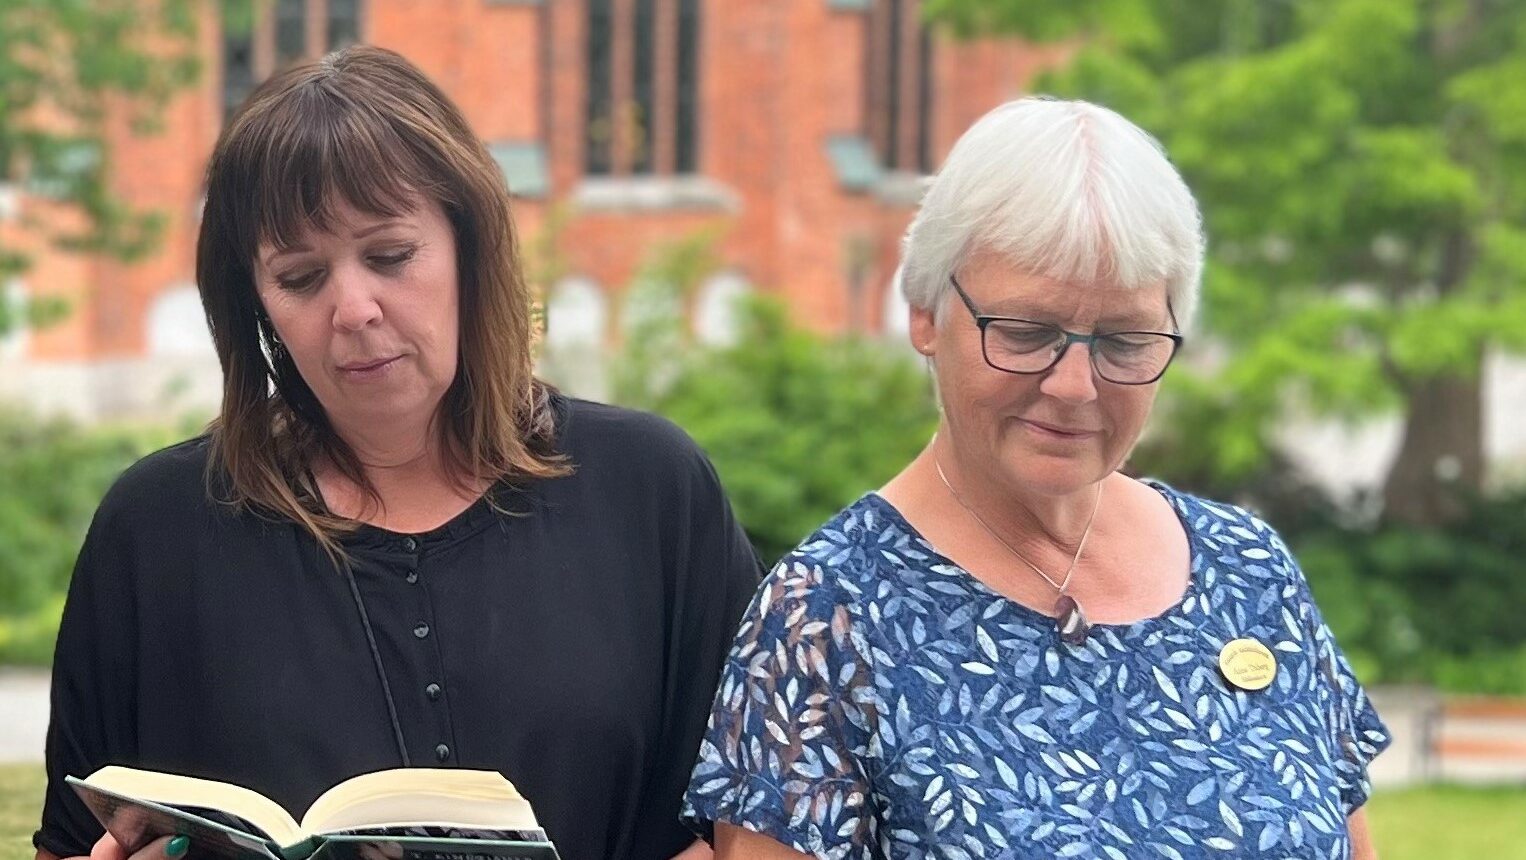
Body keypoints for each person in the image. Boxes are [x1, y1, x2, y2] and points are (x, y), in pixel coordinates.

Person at [33, 45, 761, 860]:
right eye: (301, 277)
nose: (354, 309)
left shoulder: (650, 489)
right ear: (256, 305)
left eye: (389, 256)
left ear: (468, 245)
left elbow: (750, 829)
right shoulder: (158, 530)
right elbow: (74, 841)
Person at [684, 97, 1390, 859]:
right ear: (926, 313)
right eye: (1026, 333)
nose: (1075, 385)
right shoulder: (826, 620)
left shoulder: (1248, 568)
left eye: (1123, 341)